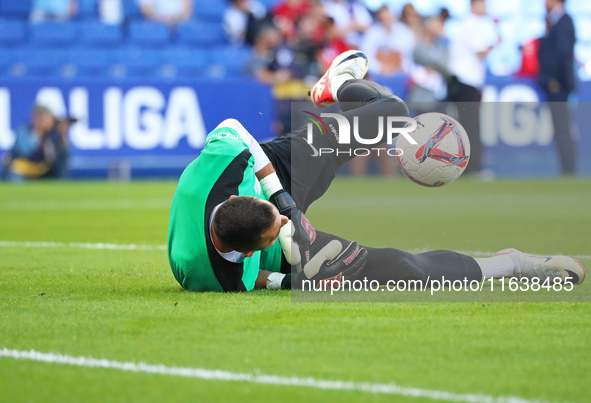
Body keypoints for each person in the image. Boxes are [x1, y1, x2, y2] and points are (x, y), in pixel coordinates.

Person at [167, 50, 585, 292]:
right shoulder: (206, 274)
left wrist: (283, 204)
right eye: (273, 229)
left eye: (271, 215)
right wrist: (295, 281)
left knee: (393, 114)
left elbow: (232, 129)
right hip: (286, 251)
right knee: (401, 272)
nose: (283, 222)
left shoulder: (218, 171)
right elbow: (255, 281)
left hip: (275, 167)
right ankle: (512, 265)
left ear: (239, 196)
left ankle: (337, 84)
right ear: (257, 248)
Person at [447, 0, 498, 175]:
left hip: (462, 82)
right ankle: (473, 168)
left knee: (466, 126)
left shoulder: (466, 24)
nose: (486, 8)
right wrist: (496, 42)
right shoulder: (473, 24)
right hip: (465, 82)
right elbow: (481, 51)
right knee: (471, 126)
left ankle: (467, 168)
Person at [538, 0, 577, 175]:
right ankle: (567, 168)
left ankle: (568, 169)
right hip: (556, 83)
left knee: (562, 128)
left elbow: (562, 52)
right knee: (561, 128)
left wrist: (554, 79)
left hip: (558, 84)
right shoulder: (556, 20)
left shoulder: (563, 20)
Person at [1, 105, 66, 182]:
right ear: (39, 118)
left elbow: (60, 158)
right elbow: (24, 152)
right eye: (48, 118)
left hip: (44, 171)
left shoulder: (53, 135)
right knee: (16, 173)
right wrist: (38, 134)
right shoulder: (24, 131)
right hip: (23, 170)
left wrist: (62, 136)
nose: (51, 122)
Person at [361, 5, 415, 76]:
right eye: (383, 18)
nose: (386, 21)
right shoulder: (371, 32)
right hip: (378, 74)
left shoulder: (405, 32)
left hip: (400, 73)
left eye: (389, 18)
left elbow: (408, 57)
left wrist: (399, 67)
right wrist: (381, 68)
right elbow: (366, 57)